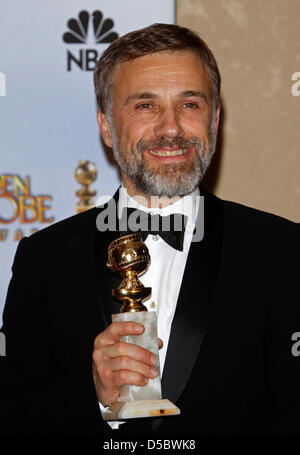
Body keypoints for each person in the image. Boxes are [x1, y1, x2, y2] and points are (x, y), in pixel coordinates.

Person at [0, 23, 299, 436]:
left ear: (215, 120)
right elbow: (13, 413)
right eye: (145, 105)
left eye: (189, 104)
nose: (172, 128)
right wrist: (94, 395)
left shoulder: (283, 252)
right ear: (106, 126)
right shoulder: (45, 259)